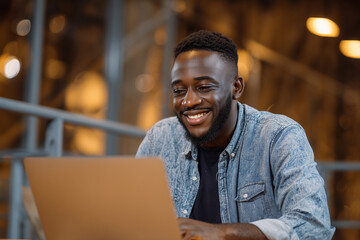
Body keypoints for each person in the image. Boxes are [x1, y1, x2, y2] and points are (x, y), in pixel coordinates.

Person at [136, 30, 335, 240]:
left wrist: (222, 233)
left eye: (203, 87)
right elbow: (132, 217)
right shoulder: (160, 138)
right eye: (179, 91)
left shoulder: (278, 137)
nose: (189, 101)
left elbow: (314, 227)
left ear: (236, 87)